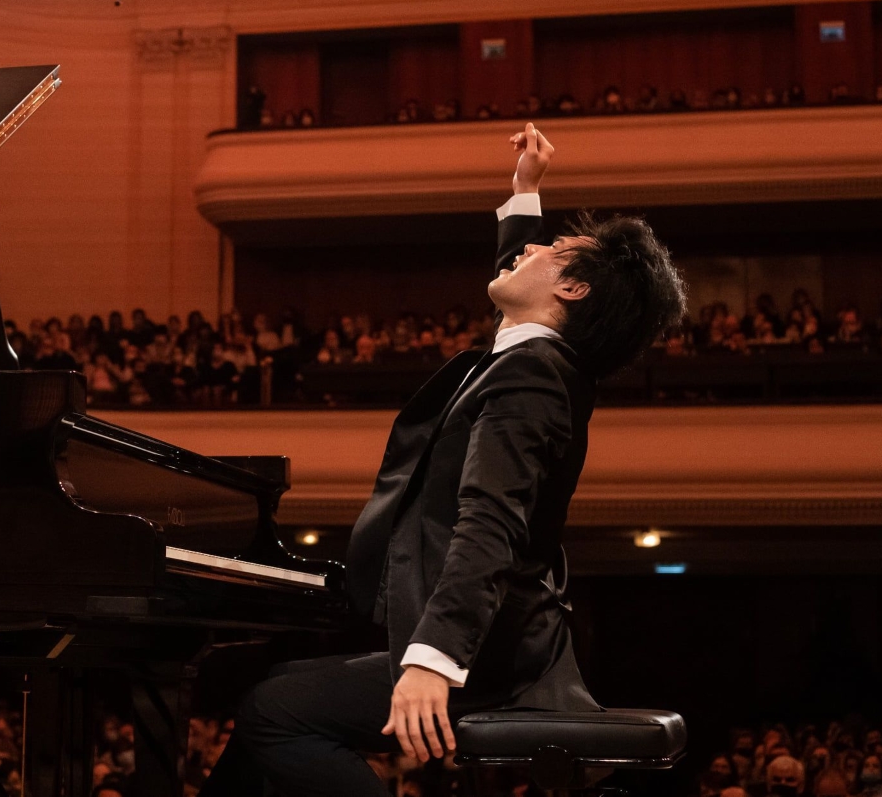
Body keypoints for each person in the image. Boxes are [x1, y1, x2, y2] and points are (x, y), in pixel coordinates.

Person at [199, 123, 687, 797]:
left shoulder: (531, 378)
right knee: (280, 687)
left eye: (550, 250)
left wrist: (435, 661)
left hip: (485, 652)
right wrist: (525, 193)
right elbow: (520, 277)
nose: (527, 253)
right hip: (503, 640)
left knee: (270, 713)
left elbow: (491, 524)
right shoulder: (539, 356)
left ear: (572, 289)